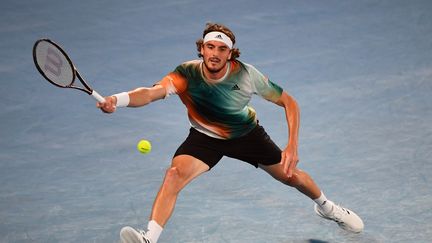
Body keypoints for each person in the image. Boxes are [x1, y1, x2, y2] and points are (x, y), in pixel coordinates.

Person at [97, 23, 364, 243]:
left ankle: (328, 208)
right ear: (201, 49)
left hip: (247, 135)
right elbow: (150, 93)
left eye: (221, 49)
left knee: (292, 177)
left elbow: (289, 103)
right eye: (209, 47)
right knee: (174, 174)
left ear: (230, 53)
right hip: (204, 138)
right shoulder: (186, 73)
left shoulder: (247, 75)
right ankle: (149, 239)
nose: (214, 53)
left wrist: (292, 145)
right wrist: (117, 100)